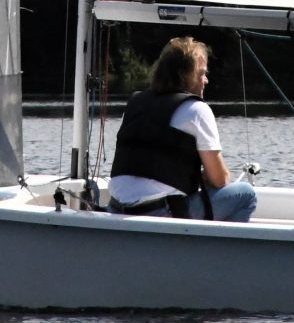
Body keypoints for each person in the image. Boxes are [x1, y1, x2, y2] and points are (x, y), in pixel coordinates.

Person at [108, 36, 257, 222]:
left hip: (115, 209)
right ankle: (213, 251)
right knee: (246, 194)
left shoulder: (135, 103)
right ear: (186, 75)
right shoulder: (196, 110)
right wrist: (206, 176)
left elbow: (151, 160)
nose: (206, 80)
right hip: (162, 212)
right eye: (202, 73)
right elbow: (220, 180)